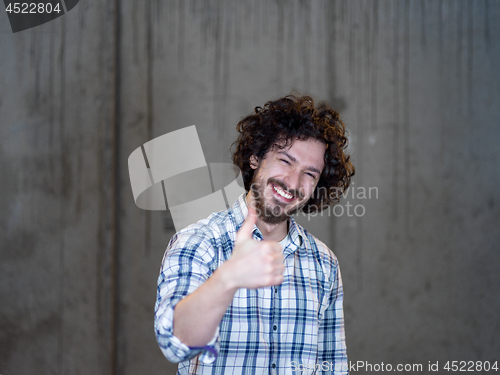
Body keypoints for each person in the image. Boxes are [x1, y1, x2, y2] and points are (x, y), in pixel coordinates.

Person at [155, 94, 354, 374]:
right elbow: (175, 344)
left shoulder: (324, 263)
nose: (293, 182)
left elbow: (333, 367)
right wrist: (228, 278)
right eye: (285, 160)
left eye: (310, 174)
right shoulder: (198, 242)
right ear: (255, 157)